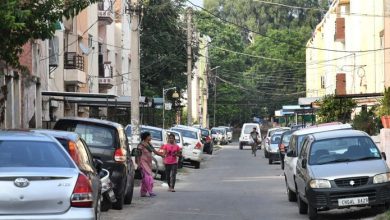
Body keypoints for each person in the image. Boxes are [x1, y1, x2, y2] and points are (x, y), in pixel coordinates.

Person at [136, 132, 164, 197]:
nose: (151, 137)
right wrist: (138, 163)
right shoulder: (141, 145)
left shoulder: (149, 144)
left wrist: (162, 155)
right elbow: (137, 155)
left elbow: (154, 151)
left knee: (145, 178)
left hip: (148, 163)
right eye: (150, 136)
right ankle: (150, 191)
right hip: (142, 162)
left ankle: (143, 192)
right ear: (146, 137)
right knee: (148, 177)